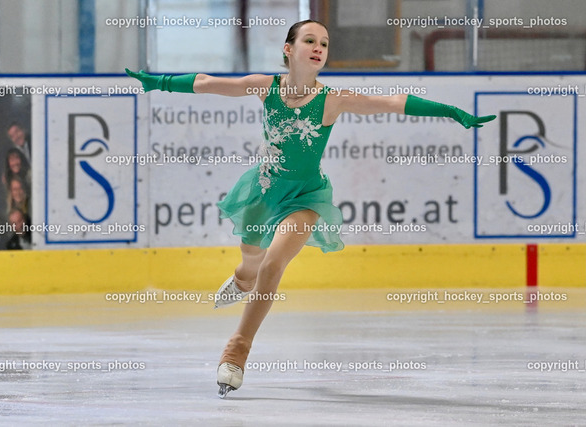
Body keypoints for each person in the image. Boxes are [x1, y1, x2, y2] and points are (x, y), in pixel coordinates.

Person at [126, 19, 495, 398]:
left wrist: (451, 111)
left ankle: (237, 349)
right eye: (310, 40)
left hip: (306, 197)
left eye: (325, 43)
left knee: (272, 264)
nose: (319, 47)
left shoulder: (333, 99)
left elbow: (393, 102)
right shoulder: (265, 86)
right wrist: (159, 82)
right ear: (289, 49)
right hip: (263, 190)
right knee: (250, 261)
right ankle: (242, 279)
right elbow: (208, 82)